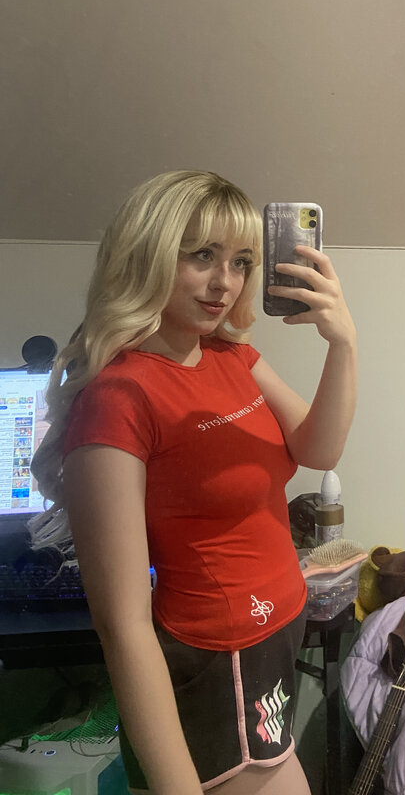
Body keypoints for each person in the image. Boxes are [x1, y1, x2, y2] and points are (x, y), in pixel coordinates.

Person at [29, 170, 357, 795]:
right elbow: (124, 627)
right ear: (147, 254)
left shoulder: (234, 358)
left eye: (240, 261)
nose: (225, 282)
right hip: (215, 663)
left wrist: (343, 342)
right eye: (202, 255)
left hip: (274, 643)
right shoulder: (120, 398)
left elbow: (320, 448)